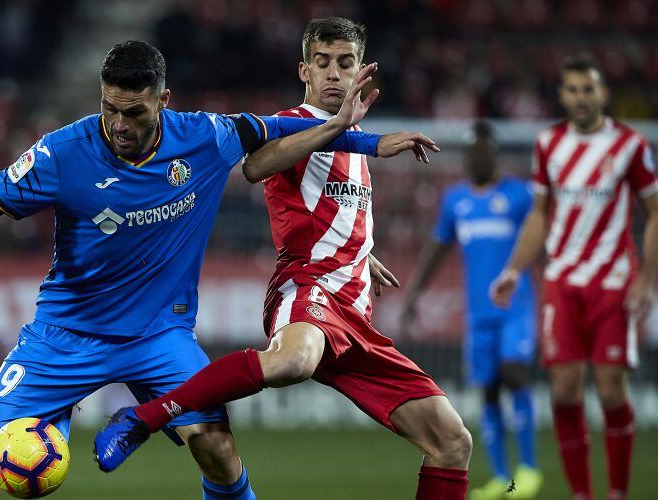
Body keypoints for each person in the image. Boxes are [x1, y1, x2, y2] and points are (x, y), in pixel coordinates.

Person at [0, 40, 436, 500]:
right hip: (65, 336)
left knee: (218, 449)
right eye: (109, 108)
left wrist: (363, 138)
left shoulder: (205, 137)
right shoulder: (61, 153)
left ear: (162, 100)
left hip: (160, 337)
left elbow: (278, 130)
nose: (118, 123)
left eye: (132, 111)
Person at [93, 19, 472, 500]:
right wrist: (336, 127)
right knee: (293, 361)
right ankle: (145, 418)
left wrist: (363, 254)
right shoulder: (297, 121)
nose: (334, 73)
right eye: (323, 62)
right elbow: (254, 167)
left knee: (452, 442)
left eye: (346, 63)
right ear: (304, 70)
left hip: (353, 313)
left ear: (360, 73)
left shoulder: (349, 141)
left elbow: (335, 211)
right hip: (306, 290)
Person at [490, 55, 656, 500]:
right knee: (564, 392)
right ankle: (582, 494)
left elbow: (655, 212)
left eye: (589, 89)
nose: (581, 98)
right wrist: (513, 269)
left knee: (610, 391)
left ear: (603, 94)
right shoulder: (548, 144)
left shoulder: (630, 145)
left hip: (612, 282)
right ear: (563, 96)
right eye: (573, 90)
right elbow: (540, 215)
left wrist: (647, 280)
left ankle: (617, 491)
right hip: (562, 281)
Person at [401, 121, 541, 499]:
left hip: (516, 308)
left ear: (494, 154)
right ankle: (501, 477)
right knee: (490, 389)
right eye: (471, 154)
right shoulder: (455, 200)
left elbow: (542, 234)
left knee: (514, 374)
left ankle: (529, 468)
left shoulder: (520, 195)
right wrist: (413, 295)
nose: (476, 159)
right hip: (478, 316)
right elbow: (437, 248)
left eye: (483, 153)